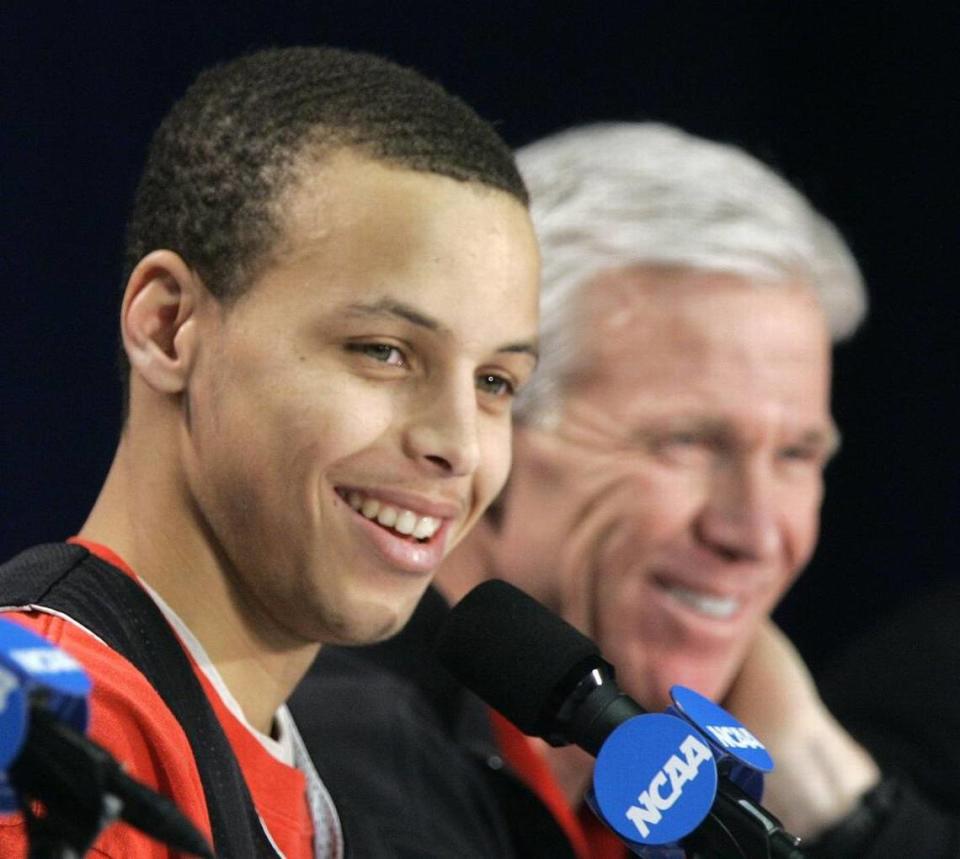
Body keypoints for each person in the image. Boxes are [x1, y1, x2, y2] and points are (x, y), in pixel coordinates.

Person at [296, 121, 937, 857]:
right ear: (487, 423)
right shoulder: (352, 762)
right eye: (687, 442)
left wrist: (833, 795)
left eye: (796, 454)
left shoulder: (663, 783)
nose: (756, 531)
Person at [0, 45, 540, 858]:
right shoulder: (51, 756)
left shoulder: (267, 751)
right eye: (383, 351)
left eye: (497, 381)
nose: (458, 445)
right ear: (168, 327)